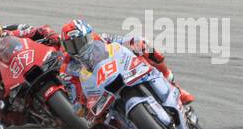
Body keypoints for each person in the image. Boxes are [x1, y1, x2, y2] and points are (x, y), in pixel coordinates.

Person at [60, 19, 192, 104]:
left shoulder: (99, 38)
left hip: (120, 69)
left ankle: (174, 85)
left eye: (78, 43)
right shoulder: (67, 65)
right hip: (100, 92)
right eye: (72, 46)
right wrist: (82, 103)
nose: (77, 49)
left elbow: (122, 40)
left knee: (143, 45)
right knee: (96, 127)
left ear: (88, 37)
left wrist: (138, 42)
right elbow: (74, 96)